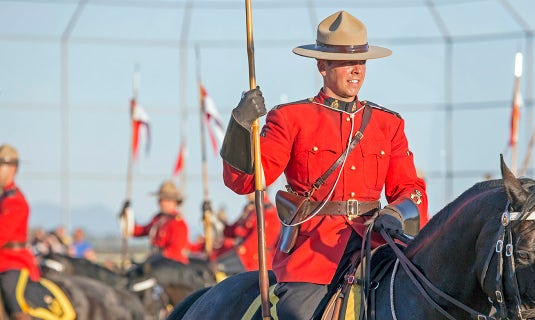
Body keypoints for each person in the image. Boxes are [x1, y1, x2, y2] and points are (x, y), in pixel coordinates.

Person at [220, 11, 428, 319]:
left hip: (377, 244)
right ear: (322, 66)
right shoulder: (290, 118)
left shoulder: (388, 123)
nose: (356, 70)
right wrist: (239, 124)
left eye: (362, 62)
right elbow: (246, 182)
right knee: (300, 314)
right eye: (346, 63)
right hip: (314, 253)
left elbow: (411, 189)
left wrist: (396, 213)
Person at [0, 144, 74, 320]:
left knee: (13, 300)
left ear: (13, 168)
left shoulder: (16, 201)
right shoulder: (3, 199)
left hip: (12, 262)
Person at [130, 180, 190, 264]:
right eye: (160, 199)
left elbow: (174, 251)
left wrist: (153, 260)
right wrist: (128, 221)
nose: (159, 202)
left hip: (172, 265)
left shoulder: (178, 223)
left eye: (163, 200)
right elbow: (143, 230)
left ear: (172, 202)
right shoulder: (158, 219)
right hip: (157, 261)